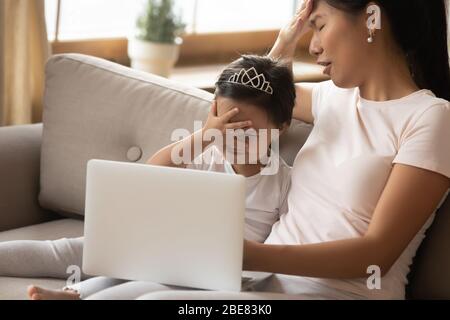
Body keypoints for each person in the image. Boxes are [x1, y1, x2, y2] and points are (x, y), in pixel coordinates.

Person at [0, 55, 297, 300]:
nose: (233, 139)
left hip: (209, 275)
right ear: (213, 113)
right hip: (160, 244)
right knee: (71, 249)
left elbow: (283, 246)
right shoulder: (205, 152)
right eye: (225, 125)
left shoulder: (283, 182)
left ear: (280, 128)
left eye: (247, 134)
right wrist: (205, 136)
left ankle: (75, 295)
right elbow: (152, 173)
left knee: (152, 287)